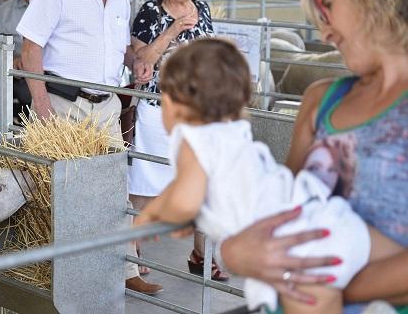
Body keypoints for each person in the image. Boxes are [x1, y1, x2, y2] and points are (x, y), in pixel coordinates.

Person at [133, 38, 404, 313]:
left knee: (313, 300)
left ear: (172, 104)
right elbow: (191, 188)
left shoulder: (190, 138)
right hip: (323, 215)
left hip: (288, 244)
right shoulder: (233, 131)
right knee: (381, 251)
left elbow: (185, 200)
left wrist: (154, 214)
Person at [213, 0, 408, 311]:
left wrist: (317, 285)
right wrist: (233, 253)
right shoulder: (321, 101)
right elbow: (277, 209)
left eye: (327, 5)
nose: (324, 32)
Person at [17, 0, 163, 295]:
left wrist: (135, 62)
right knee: (64, 190)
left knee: (114, 187)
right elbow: (30, 47)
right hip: (64, 104)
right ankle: (60, 274)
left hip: (106, 105)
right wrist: (41, 101)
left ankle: (125, 270)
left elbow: (119, 46)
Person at [127, 0, 223, 280]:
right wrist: (173, 30)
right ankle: (131, 253)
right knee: (144, 183)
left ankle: (201, 254)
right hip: (158, 111)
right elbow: (142, 62)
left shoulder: (204, 9)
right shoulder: (150, 13)